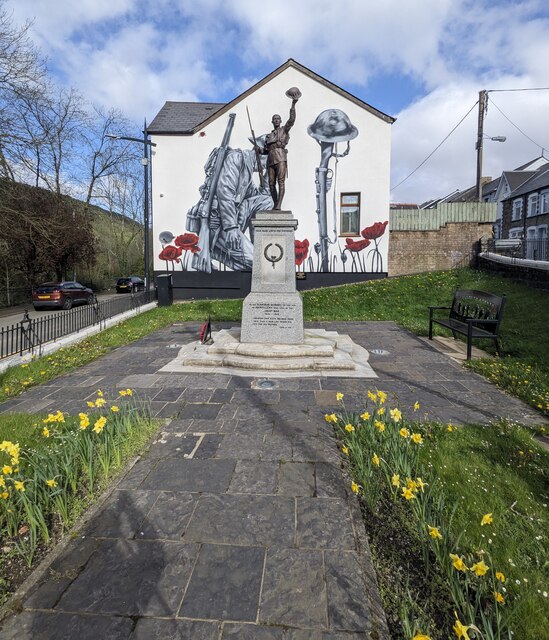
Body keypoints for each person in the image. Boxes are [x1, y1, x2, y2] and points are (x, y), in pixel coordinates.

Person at [187, 137, 272, 272]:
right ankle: (213, 248)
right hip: (218, 224)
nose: (270, 166)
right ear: (260, 155)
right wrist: (231, 228)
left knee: (267, 201)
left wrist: (268, 177)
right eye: (269, 163)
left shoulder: (247, 170)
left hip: (228, 223)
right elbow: (224, 193)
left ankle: (224, 251)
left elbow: (260, 199)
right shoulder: (236, 159)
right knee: (260, 263)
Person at [261, 94, 299, 210]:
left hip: (281, 157)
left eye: (278, 119)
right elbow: (267, 150)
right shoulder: (269, 136)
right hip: (271, 159)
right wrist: (260, 150)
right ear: (272, 121)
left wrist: (293, 104)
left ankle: (279, 205)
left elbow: (291, 120)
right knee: (271, 184)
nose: (276, 120)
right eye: (274, 119)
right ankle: (275, 203)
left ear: (280, 121)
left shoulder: (284, 130)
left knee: (281, 181)